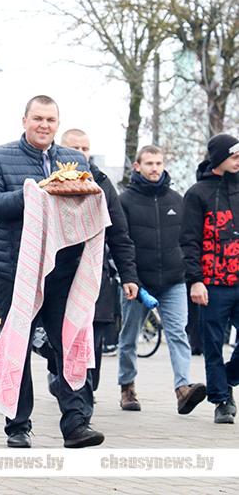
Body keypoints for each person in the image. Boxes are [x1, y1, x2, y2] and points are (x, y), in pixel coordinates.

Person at [0, 95, 104, 449]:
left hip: (63, 268)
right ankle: (17, 425)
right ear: (24, 120)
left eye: (50, 120)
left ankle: (76, 423)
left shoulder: (74, 160)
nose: (44, 125)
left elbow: (89, 202)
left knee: (70, 341)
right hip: (15, 268)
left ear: (57, 123)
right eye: (38, 118)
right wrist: (29, 194)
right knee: (18, 343)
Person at [116, 143, 206, 413]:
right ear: (138, 166)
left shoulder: (177, 199)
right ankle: (127, 387)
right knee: (129, 337)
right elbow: (120, 243)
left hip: (173, 281)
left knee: (178, 333)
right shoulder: (124, 201)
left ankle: (183, 388)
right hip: (137, 282)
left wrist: (190, 274)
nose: (154, 168)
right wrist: (129, 278)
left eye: (158, 163)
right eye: (149, 164)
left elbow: (189, 239)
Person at [57, 130, 140, 395]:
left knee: (94, 338)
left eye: (85, 147)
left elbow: (119, 233)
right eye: (74, 148)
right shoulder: (50, 180)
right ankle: (60, 378)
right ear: (62, 150)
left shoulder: (102, 182)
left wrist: (129, 276)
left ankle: (86, 396)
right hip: (58, 273)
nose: (81, 153)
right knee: (58, 339)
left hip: (95, 274)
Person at [181, 133, 239, 424]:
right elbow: (189, 241)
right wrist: (196, 280)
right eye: (234, 156)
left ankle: (226, 378)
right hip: (212, 284)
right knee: (213, 344)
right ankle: (222, 401)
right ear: (219, 160)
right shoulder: (197, 193)